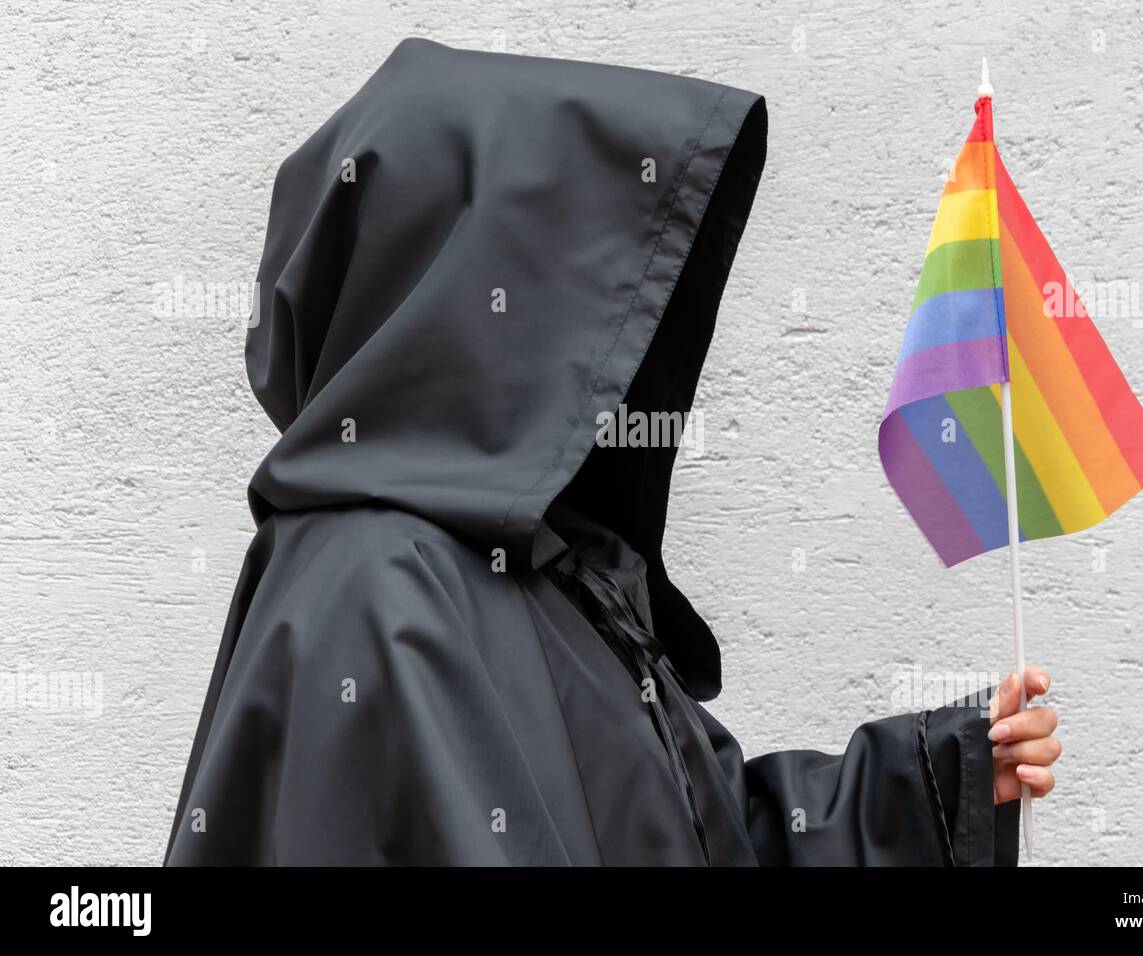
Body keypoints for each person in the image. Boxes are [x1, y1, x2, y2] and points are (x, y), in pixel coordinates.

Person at [166, 38, 1059, 866]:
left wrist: (940, 779)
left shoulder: (546, 580)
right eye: (575, 292)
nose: (608, 356)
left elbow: (697, 836)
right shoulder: (372, 588)